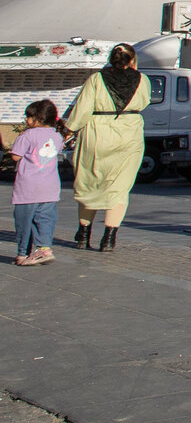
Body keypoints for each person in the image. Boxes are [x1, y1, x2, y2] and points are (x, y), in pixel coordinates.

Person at [64, 44, 149, 251]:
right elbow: (145, 102)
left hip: (97, 132)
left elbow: (83, 109)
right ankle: (109, 238)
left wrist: (69, 129)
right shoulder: (142, 80)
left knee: (90, 183)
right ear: (132, 59)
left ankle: (84, 233)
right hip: (129, 132)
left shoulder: (96, 79)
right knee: (120, 187)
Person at [11, 99, 64, 267]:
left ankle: (22, 254)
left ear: (38, 118)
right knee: (45, 220)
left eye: (28, 117)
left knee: (24, 222)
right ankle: (44, 248)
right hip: (50, 188)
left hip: (28, 188)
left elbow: (15, 156)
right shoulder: (57, 136)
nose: (26, 120)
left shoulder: (27, 135)